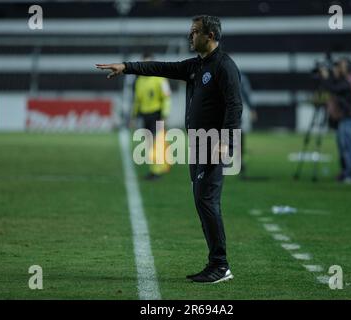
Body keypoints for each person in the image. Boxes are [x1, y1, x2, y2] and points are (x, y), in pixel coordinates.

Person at [96, 15, 242, 283]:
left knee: (207, 201)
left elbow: (235, 105)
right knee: (202, 201)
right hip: (198, 144)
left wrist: (225, 141)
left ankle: (220, 265)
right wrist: (127, 67)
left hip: (212, 144)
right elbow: (161, 67)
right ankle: (216, 263)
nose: (190, 36)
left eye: (195, 32)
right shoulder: (197, 66)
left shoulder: (224, 66)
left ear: (209, 36)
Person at [132, 52, 172, 180]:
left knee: (157, 143)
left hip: (157, 114)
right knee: (149, 143)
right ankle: (154, 169)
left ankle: (157, 171)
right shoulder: (139, 81)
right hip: (145, 115)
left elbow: (167, 98)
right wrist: (134, 116)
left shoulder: (160, 78)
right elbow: (137, 100)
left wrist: (165, 114)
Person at [320, 59, 351, 183]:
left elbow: (335, 89)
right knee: (344, 147)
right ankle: (347, 171)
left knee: (349, 147)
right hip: (345, 118)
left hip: (350, 117)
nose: (338, 69)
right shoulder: (347, 79)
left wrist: (326, 77)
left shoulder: (350, 80)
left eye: (341, 66)